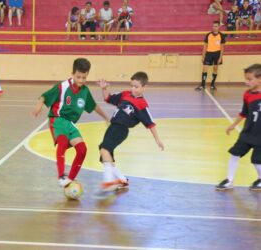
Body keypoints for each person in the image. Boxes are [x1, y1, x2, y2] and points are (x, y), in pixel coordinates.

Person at [32, 58, 110, 188]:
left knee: (82, 150)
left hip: (70, 123)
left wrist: (106, 117)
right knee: (62, 141)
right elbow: (44, 96)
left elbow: (93, 106)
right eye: (78, 77)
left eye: (84, 78)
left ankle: (69, 180)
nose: (80, 80)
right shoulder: (62, 86)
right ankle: (61, 175)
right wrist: (39, 105)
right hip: (57, 119)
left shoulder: (85, 91)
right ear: (72, 74)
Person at [96, 72, 164, 192]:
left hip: (121, 129)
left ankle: (108, 182)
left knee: (104, 150)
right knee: (105, 152)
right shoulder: (125, 94)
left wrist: (158, 140)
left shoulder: (142, 104)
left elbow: (150, 124)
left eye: (136, 86)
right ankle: (122, 180)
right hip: (112, 127)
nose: (133, 88)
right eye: (131, 85)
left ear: (144, 88)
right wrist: (104, 88)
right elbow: (108, 98)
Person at [216, 64, 261, 191]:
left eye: (249, 79)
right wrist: (233, 125)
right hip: (247, 133)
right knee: (234, 154)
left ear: (260, 79)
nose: (246, 82)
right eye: (245, 79)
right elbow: (243, 113)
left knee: (257, 161)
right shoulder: (247, 94)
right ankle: (229, 180)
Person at [195, 21, 226, 91]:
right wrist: (203, 56)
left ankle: (212, 84)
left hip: (217, 53)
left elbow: (222, 48)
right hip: (209, 53)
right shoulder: (208, 35)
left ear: (218, 27)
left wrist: (220, 57)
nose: (214, 28)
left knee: (215, 69)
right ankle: (203, 85)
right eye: (213, 26)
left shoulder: (221, 35)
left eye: (216, 26)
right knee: (204, 68)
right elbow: (205, 46)